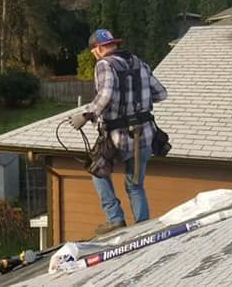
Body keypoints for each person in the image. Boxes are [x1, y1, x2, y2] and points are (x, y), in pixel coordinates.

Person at [69, 29, 168, 235]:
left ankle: (115, 219)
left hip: (119, 135)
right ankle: (143, 228)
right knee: (135, 185)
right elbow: (161, 93)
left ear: (97, 49)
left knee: (97, 170)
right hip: (145, 134)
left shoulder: (104, 64)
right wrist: (137, 101)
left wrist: (86, 115)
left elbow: (105, 95)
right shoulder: (139, 63)